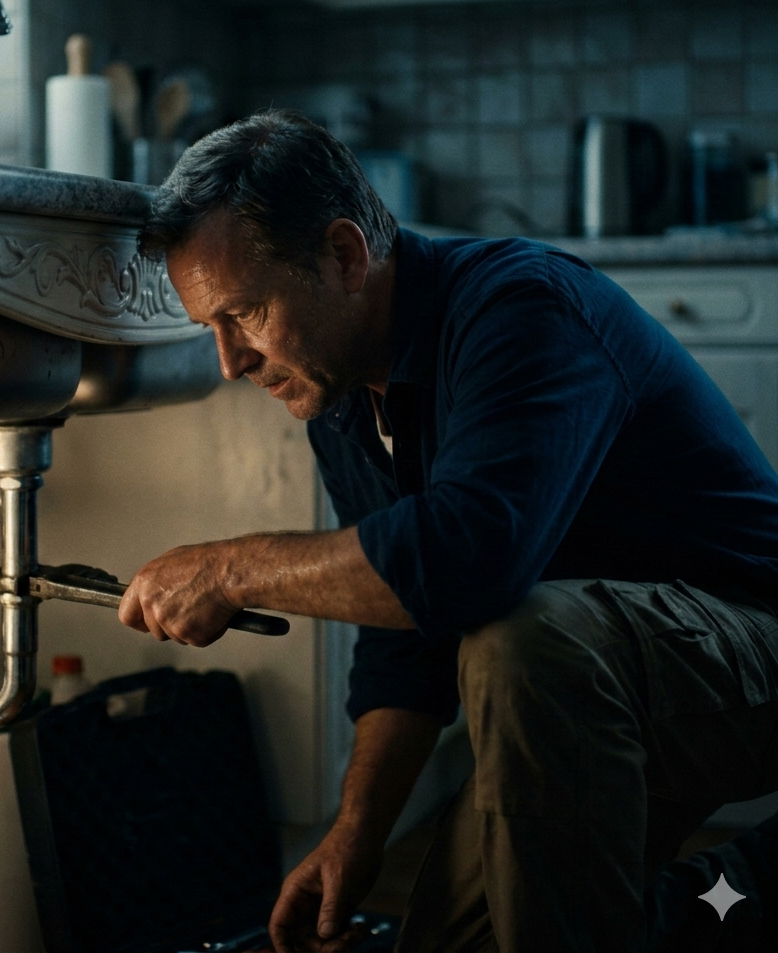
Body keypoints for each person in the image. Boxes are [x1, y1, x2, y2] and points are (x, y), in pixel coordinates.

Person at [117, 110, 778, 952]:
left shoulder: (521, 309)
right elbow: (409, 626)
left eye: (244, 314)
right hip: (604, 677)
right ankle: (715, 901)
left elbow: (466, 562)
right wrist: (357, 831)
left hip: (750, 641)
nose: (229, 361)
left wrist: (229, 571)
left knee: (521, 639)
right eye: (209, 326)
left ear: (346, 256)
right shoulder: (341, 390)